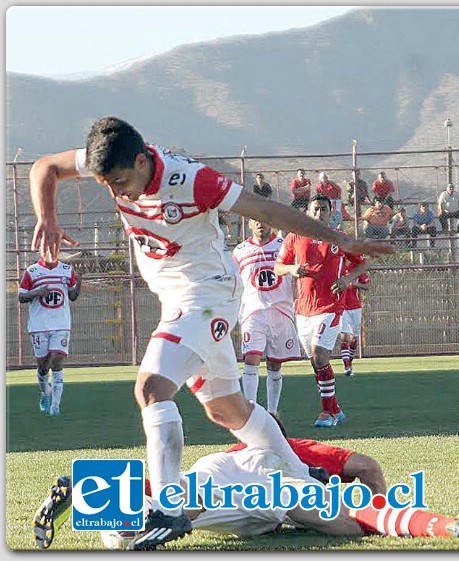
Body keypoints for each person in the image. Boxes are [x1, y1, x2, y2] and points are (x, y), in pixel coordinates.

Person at [28, 116, 394, 550]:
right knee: (227, 412)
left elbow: (266, 210)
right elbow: (44, 168)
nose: (116, 193)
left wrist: (340, 239)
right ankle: (298, 471)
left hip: (207, 295)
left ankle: (168, 509)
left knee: (151, 388)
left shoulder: (192, 180)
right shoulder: (109, 160)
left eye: (122, 182)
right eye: (107, 184)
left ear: (144, 161)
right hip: (178, 299)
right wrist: (47, 218)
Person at [33, 438, 459, 550]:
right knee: (352, 522)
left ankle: (90, 490)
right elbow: (367, 468)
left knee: (174, 493)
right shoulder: (293, 449)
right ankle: (447, 524)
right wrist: (377, 502)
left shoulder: (240, 443)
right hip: (270, 494)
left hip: (219, 470)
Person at [274, 194, 369, 428]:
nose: (319, 214)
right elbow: (277, 268)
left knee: (319, 355)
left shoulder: (339, 238)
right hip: (303, 310)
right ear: (308, 212)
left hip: (331, 306)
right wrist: (291, 269)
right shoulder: (294, 236)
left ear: (330, 212)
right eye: (315, 209)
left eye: (324, 209)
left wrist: (347, 279)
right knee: (316, 362)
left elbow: (363, 262)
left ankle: (327, 413)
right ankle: (335, 408)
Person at [232, 219, 300, 414]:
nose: (261, 224)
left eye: (264, 220)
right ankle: (250, 410)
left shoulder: (283, 246)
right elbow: (233, 283)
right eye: (256, 221)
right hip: (253, 313)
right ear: (250, 225)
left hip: (281, 311)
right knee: (251, 358)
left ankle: (272, 412)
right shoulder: (240, 251)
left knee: (274, 363)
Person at [18, 258, 82, 416]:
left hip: (61, 324)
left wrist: (79, 281)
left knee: (57, 360)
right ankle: (44, 393)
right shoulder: (32, 271)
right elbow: (21, 296)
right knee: (43, 366)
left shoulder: (67, 269)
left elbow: (73, 295)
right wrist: (37, 292)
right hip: (39, 325)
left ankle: (55, 407)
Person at [339, 268, 370, 377]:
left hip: (355, 307)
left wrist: (355, 284)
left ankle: (350, 362)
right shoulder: (339, 266)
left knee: (354, 339)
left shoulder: (357, 267)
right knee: (344, 336)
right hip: (341, 307)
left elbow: (367, 286)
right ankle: (346, 366)